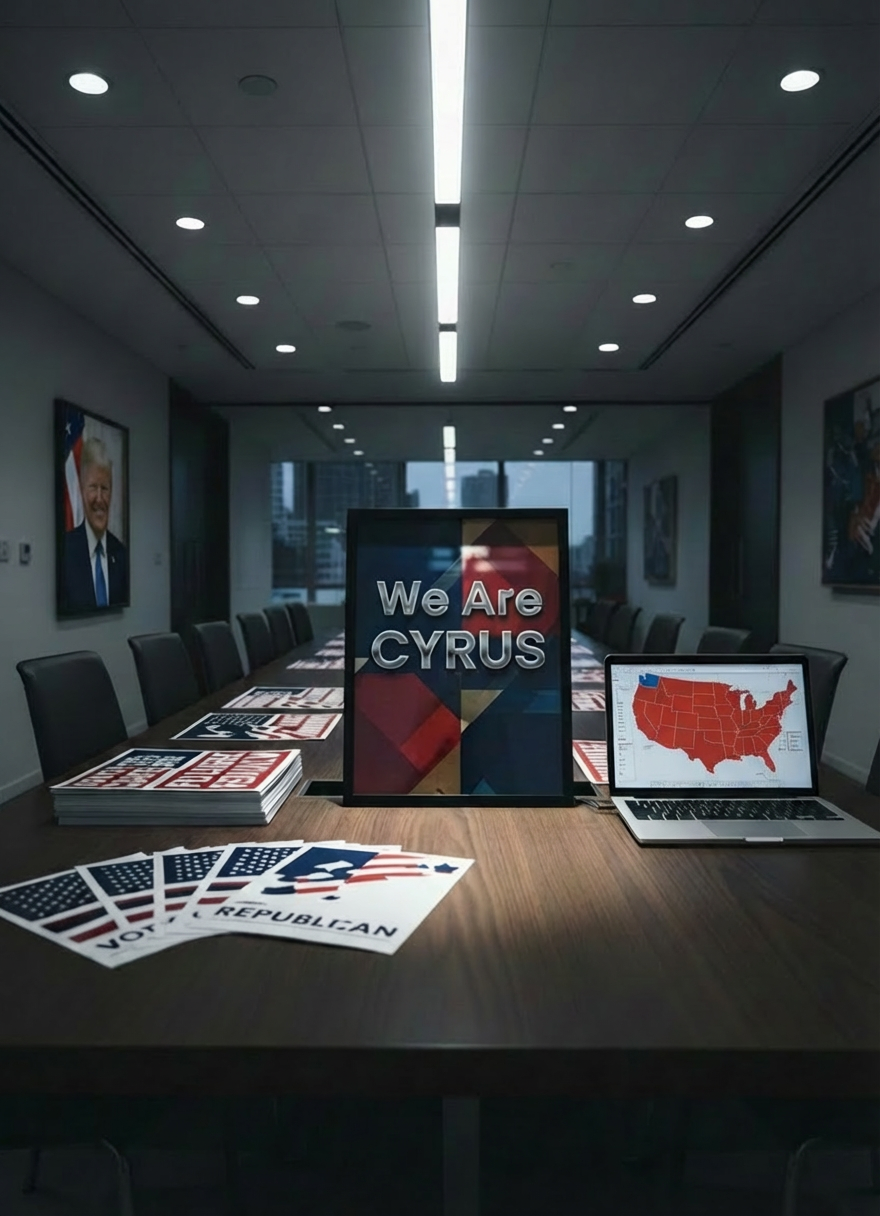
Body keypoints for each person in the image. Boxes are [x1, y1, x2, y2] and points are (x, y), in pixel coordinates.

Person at [61, 437, 128, 611]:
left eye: (104, 488)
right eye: (93, 487)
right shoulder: (65, 552)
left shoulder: (121, 554)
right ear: (81, 491)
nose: (99, 498)